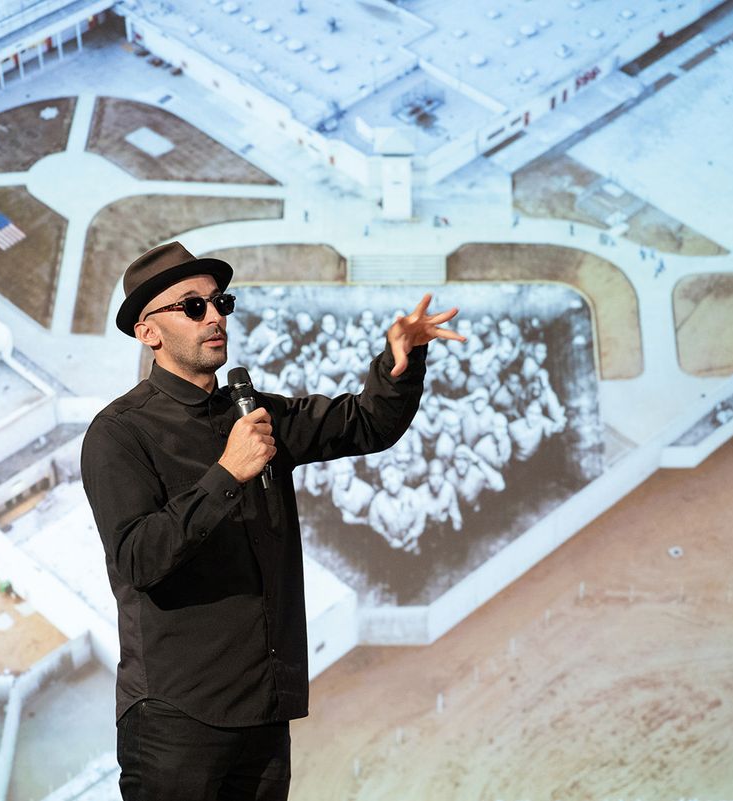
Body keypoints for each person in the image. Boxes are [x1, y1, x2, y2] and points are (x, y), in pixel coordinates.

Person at [80, 241, 465, 801]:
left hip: (263, 713)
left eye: (220, 303)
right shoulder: (119, 433)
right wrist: (226, 474)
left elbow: (365, 423)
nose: (215, 318)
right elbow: (139, 558)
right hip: (176, 718)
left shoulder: (253, 411)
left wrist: (400, 363)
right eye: (192, 307)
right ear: (148, 332)